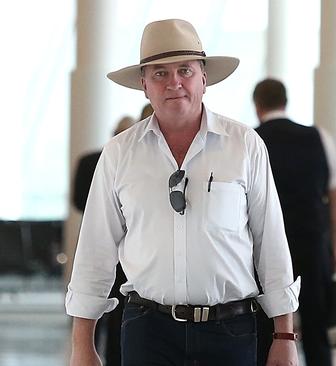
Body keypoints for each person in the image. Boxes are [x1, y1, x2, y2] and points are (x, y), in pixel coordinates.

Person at [66, 19, 300, 366]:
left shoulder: (244, 145)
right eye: (159, 73)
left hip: (231, 331)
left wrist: (284, 336)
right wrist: (82, 345)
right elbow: (94, 251)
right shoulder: (119, 154)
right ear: (144, 85)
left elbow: (271, 243)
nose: (173, 82)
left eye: (184, 70)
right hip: (148, 332)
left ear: (203, 79)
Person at [252, 78, 336, 366]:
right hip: (312, 243)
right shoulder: (318, 137)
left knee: (266, 332)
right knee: (317, 329)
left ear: (257, 107)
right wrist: (332, 245)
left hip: (264, 251)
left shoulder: (251, 141)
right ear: (286, 102)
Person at [71, 115, 135, 366]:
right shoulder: (118, 160)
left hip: (110, 241)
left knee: (106, 302)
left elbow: (77, 201)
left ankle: (103, 352)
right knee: (116, 305)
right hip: (124, 246)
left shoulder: (89, 159)